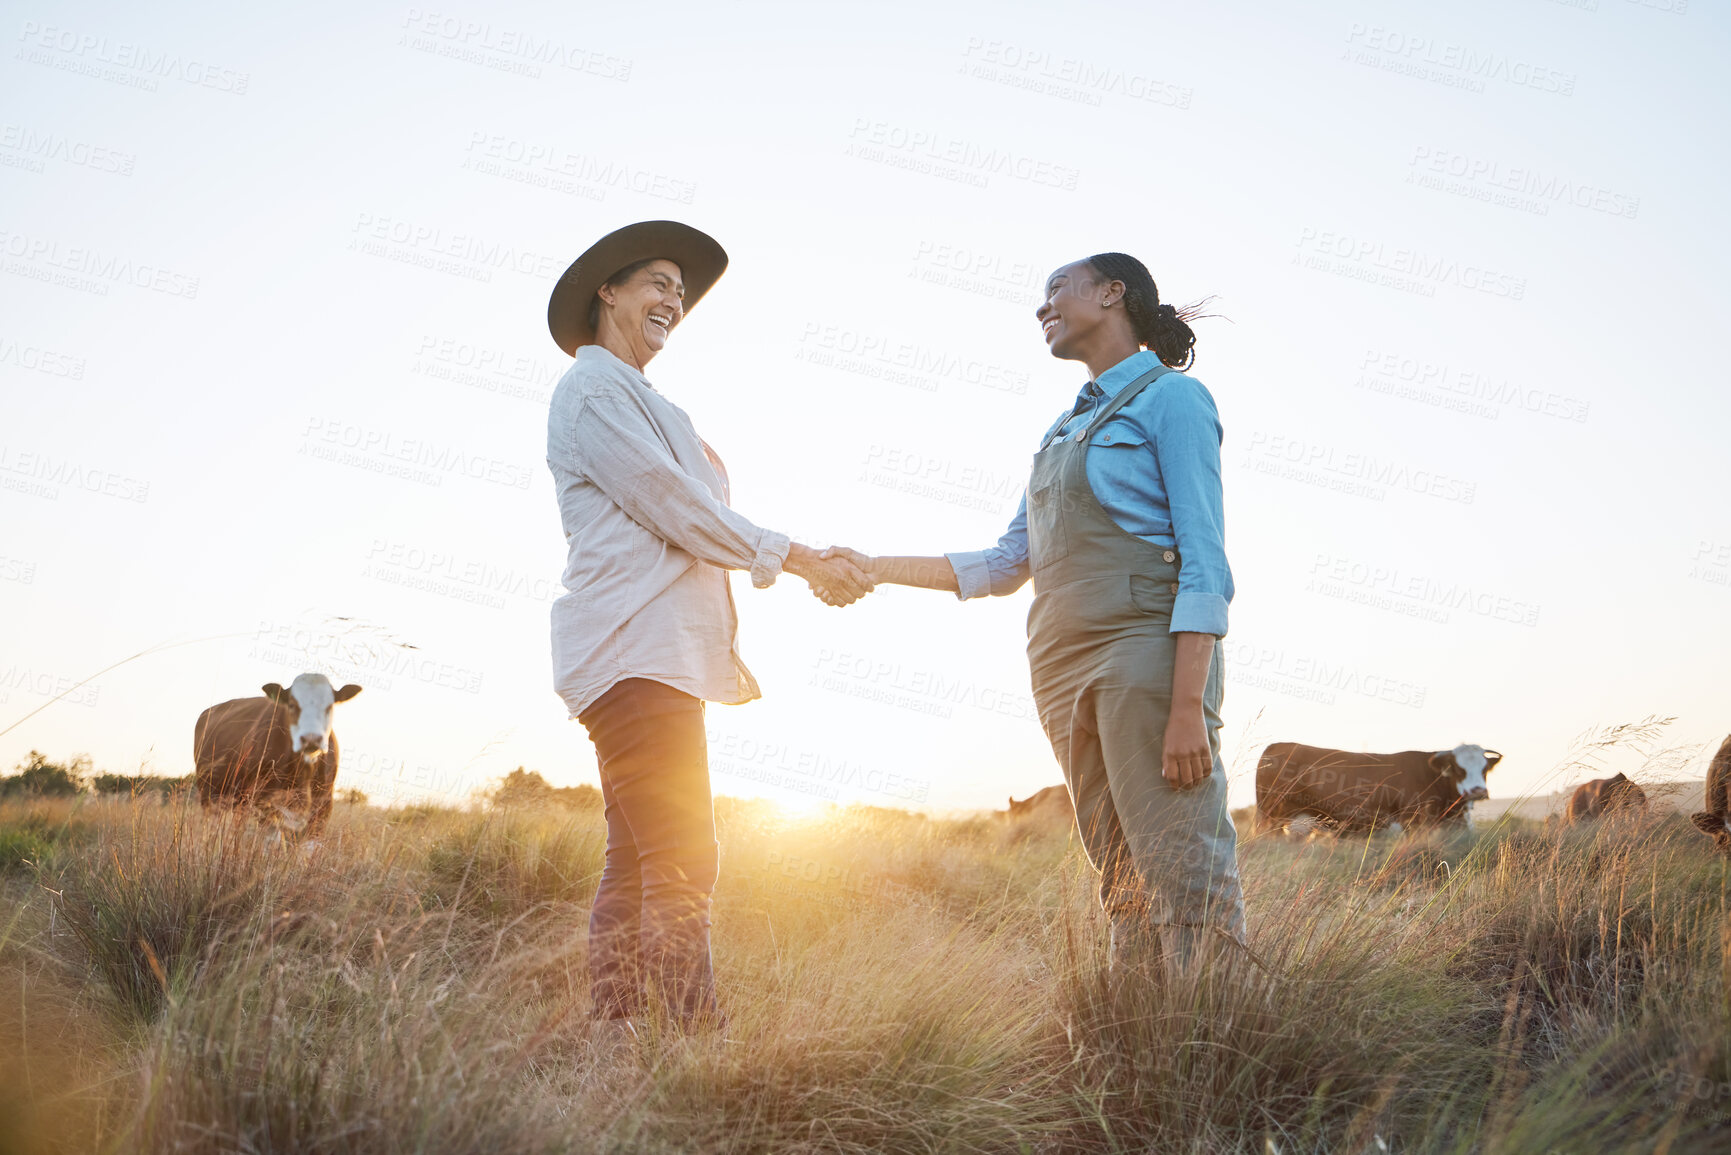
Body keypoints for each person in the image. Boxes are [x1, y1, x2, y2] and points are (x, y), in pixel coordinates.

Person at [834, 252, 1246, 985]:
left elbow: (1205, 564)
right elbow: (1003, 563)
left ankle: (1225, 1043)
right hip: (1059, 668)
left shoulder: (1173, 401)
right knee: (1118, 876)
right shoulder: (1060, 431)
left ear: (1111, 294)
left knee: (1183, 869)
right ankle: (1139, 1045)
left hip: (1142, 657)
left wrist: (1187, 706)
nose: (1040, 307)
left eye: (1055, 289)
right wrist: (874, 565)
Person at [544, 221, 873, 1040]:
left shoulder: (659, 406)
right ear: (607, 292)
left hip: (660, 657)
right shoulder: (591, 392)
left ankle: (618, 1032)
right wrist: (796, 557)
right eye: (657, 282)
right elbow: (677, 506)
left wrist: (801, 558)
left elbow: (694, 509)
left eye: (681, 293)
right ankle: (693, 1034)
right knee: (685, 852)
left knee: (639, 854)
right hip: (632, 652)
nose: (673, 300)